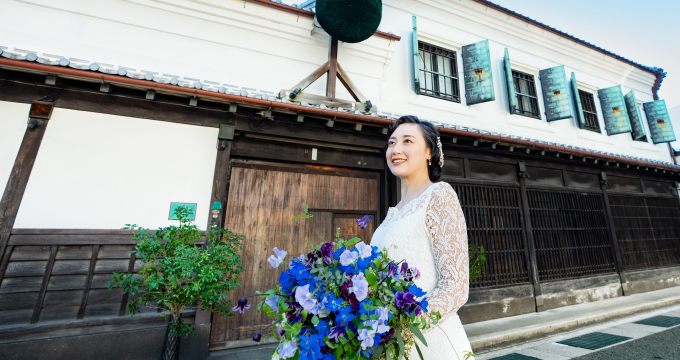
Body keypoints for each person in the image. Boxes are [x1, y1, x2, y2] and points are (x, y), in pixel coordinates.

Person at [370, 115, 474, 360]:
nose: (396, 149)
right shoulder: (391, 215)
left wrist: (404, 327)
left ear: (429, 152)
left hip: (429, 343)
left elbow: (456, 287)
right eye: (391, 143)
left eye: (407, 141)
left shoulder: (438, 196)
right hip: (389, 345)